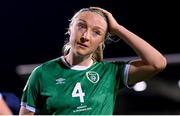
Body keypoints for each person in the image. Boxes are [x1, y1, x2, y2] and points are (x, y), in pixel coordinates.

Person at [19, 7, 167, 115]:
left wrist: (117, 28)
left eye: (97, 32)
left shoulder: (110, 73)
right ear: (70, 29)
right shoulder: (42, 73)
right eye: (81, 26)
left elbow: (157, 63)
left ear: (102, 42)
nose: (86, 36)